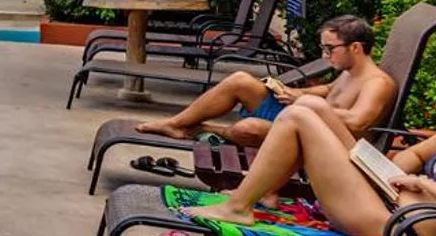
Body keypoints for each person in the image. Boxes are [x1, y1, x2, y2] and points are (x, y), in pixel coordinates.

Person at [178, 53, 436, 236]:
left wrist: (423, 184)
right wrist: (391, 174)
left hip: (400, 227)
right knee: (315, 109)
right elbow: (412, 157)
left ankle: (239, 206)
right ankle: (254, 197)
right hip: (390, 198)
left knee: (299, 115)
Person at [132, 14, 395, 148]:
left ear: (356, 48)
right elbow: (329, 90)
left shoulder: (377, 84)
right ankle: (175, 123)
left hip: (321, 137)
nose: (325, 56)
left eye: (330, 49)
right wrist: (291, 92)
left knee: (248, 128)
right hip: (301, 114)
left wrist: (304, 101)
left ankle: (202, 129)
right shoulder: (350, 70)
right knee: (240, 80)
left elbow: (358, 121)